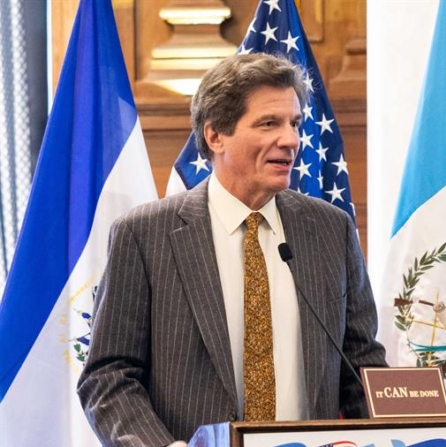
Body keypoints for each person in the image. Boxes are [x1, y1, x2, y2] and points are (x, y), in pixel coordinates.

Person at [77, 53, 387, 447]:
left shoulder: (330, 228)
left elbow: (361, 365)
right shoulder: (145, 234)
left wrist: (395, 434)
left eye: (294, 123)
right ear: (215, 136)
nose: (291, 140)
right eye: (269, 123)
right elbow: (108, 374)